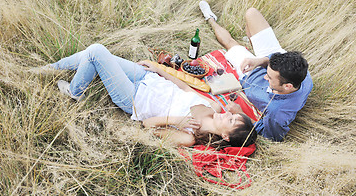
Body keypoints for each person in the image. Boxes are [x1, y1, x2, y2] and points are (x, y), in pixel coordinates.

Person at [46, 43, 257, 148]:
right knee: (96, 54)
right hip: (148, 80)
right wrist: (159, 69)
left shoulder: (189, 137)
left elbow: (147, 125)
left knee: (97, 51)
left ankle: (74, 92)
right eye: (233, 115)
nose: (227, 115)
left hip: (134, 98)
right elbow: (185, 88)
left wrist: (177, 120)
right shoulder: (215, 107)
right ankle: (51, 68)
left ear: (226, 136)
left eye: (230, 121)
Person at [199, 1, 313, 142]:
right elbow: (275, 59)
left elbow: (271, 135)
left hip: (249, 75)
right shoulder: (302, 73)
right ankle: (251, 44)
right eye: (268, 73)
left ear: (287, 86)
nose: (265, 77)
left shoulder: (277, 113)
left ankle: (210, 19)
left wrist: (240, 113)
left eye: (270, 78)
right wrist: (259, 61)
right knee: (251, 13)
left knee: (231, 44)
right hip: (274, 57)